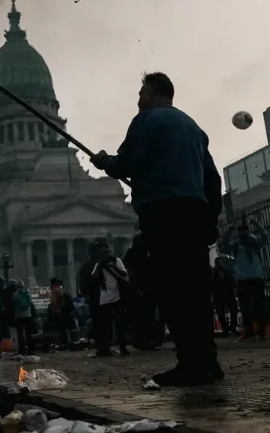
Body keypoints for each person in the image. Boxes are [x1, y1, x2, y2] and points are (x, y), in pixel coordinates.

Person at [90, 72, 223, 386]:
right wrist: (210, 220)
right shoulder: (193, 127)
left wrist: (105, 161)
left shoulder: (146, 121)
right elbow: (212, 180)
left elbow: (127, 164)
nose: (138, 100)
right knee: (197, 293)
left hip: (163, 215)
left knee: (171, 291)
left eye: (140, 93)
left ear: (151, 92)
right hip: (193, 214)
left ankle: (190, 364)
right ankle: (209, 362)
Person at [221, 220, 269, 341]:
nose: (243, 233)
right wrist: (229, 231)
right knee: (247, 307)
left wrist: (257, 225)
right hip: (244, 279)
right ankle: (251, 331)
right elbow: (224, 245)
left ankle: (260, 330)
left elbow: (264, 237)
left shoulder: (254, 242)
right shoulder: (238, 245)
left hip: (254, 278)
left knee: (258, 307)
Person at [124, 232, 163, 349]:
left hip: (149, 288)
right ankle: (143, 340)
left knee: (149, 315)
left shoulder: (147, 253)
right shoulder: (132, 253)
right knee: (142, 316)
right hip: (139, 289)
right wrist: (136, 288)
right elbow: (130, 272)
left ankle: (150, 340)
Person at [91, 243, 131, 357]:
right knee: (106, 326)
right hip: (105, 299)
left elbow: (124, 274)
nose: (106, 255)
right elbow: (94, 278)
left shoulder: (116, 261)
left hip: (118, 296)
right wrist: (100, 263)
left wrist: (112, 265)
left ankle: (123, 347)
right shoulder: (98, 265)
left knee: (120, 324)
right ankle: (107, 348)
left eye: (107, 253)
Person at [77, 242, 102, 344]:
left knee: (99, 320)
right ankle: (100, 342)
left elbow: (81, 283)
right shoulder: (87, 266)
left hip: (99, 296)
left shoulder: (87, 266)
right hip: (95, 296)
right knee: (98, 320)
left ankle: (100, 342)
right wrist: (86, 294)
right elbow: (81, 282)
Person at [211, 259, 238, 337]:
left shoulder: (227, 271)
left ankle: (230, 328)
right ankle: (227, 328)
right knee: (221, 312)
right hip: (219, 294)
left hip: (226, 293)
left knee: (231, 311)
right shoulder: (215, 271)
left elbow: (232, 282)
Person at [12, 283, 36, 355]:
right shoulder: (27, 294)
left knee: (20, 335)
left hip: (19, 317)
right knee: (29, 334)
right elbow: (28, 305)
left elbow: (12, 302)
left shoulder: (15, 295)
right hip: (28, 316)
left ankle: (22, 350)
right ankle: (30, 350)